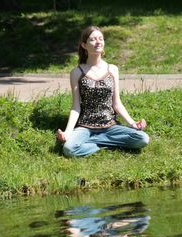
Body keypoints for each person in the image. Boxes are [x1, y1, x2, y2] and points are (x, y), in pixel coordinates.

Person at [56, 25, 149, 157]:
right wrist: (68, 132)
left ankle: (96, 142)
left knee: (143, 139)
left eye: (101, 38)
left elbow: (117, 103)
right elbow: (76, 107)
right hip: (85, 127)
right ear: (84, 45)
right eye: (93, 39)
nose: (98, 42)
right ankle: (103, 144)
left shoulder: (112, 69)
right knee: (69, 149)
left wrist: (132, 123)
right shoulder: (77, 72)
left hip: (110, 126)